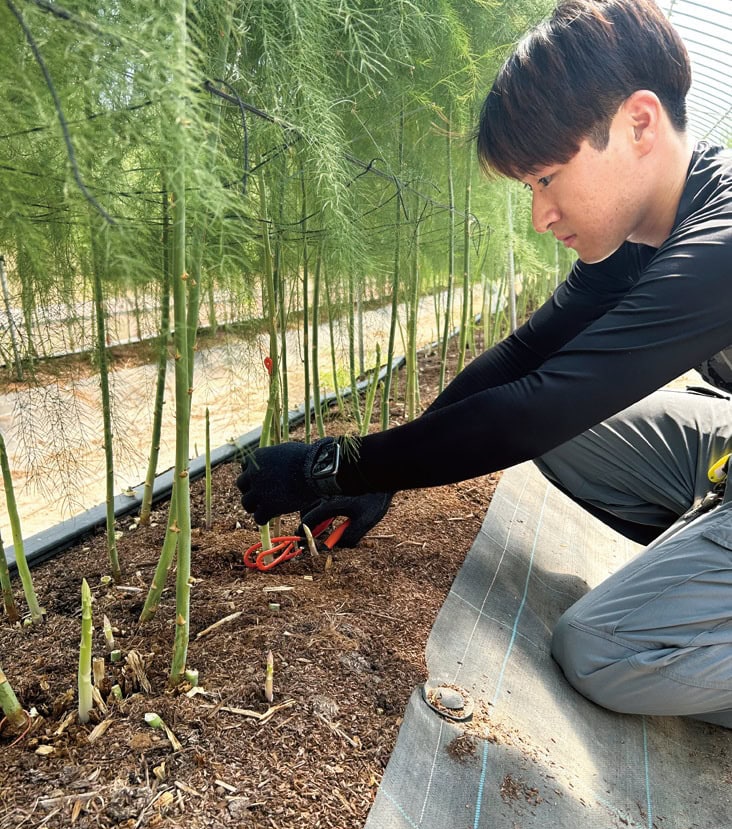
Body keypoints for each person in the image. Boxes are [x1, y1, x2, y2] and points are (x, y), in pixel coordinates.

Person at [238, 0, 732, 729]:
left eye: (548, 178)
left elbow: (529, 410)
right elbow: (528, 357)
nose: (541, 215)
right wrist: (386, 480)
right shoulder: (636, 239)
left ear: (638, 124)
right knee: (571, 429)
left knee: (601, 653)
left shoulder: (719, 245)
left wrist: (329, 465)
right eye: (530, 188)